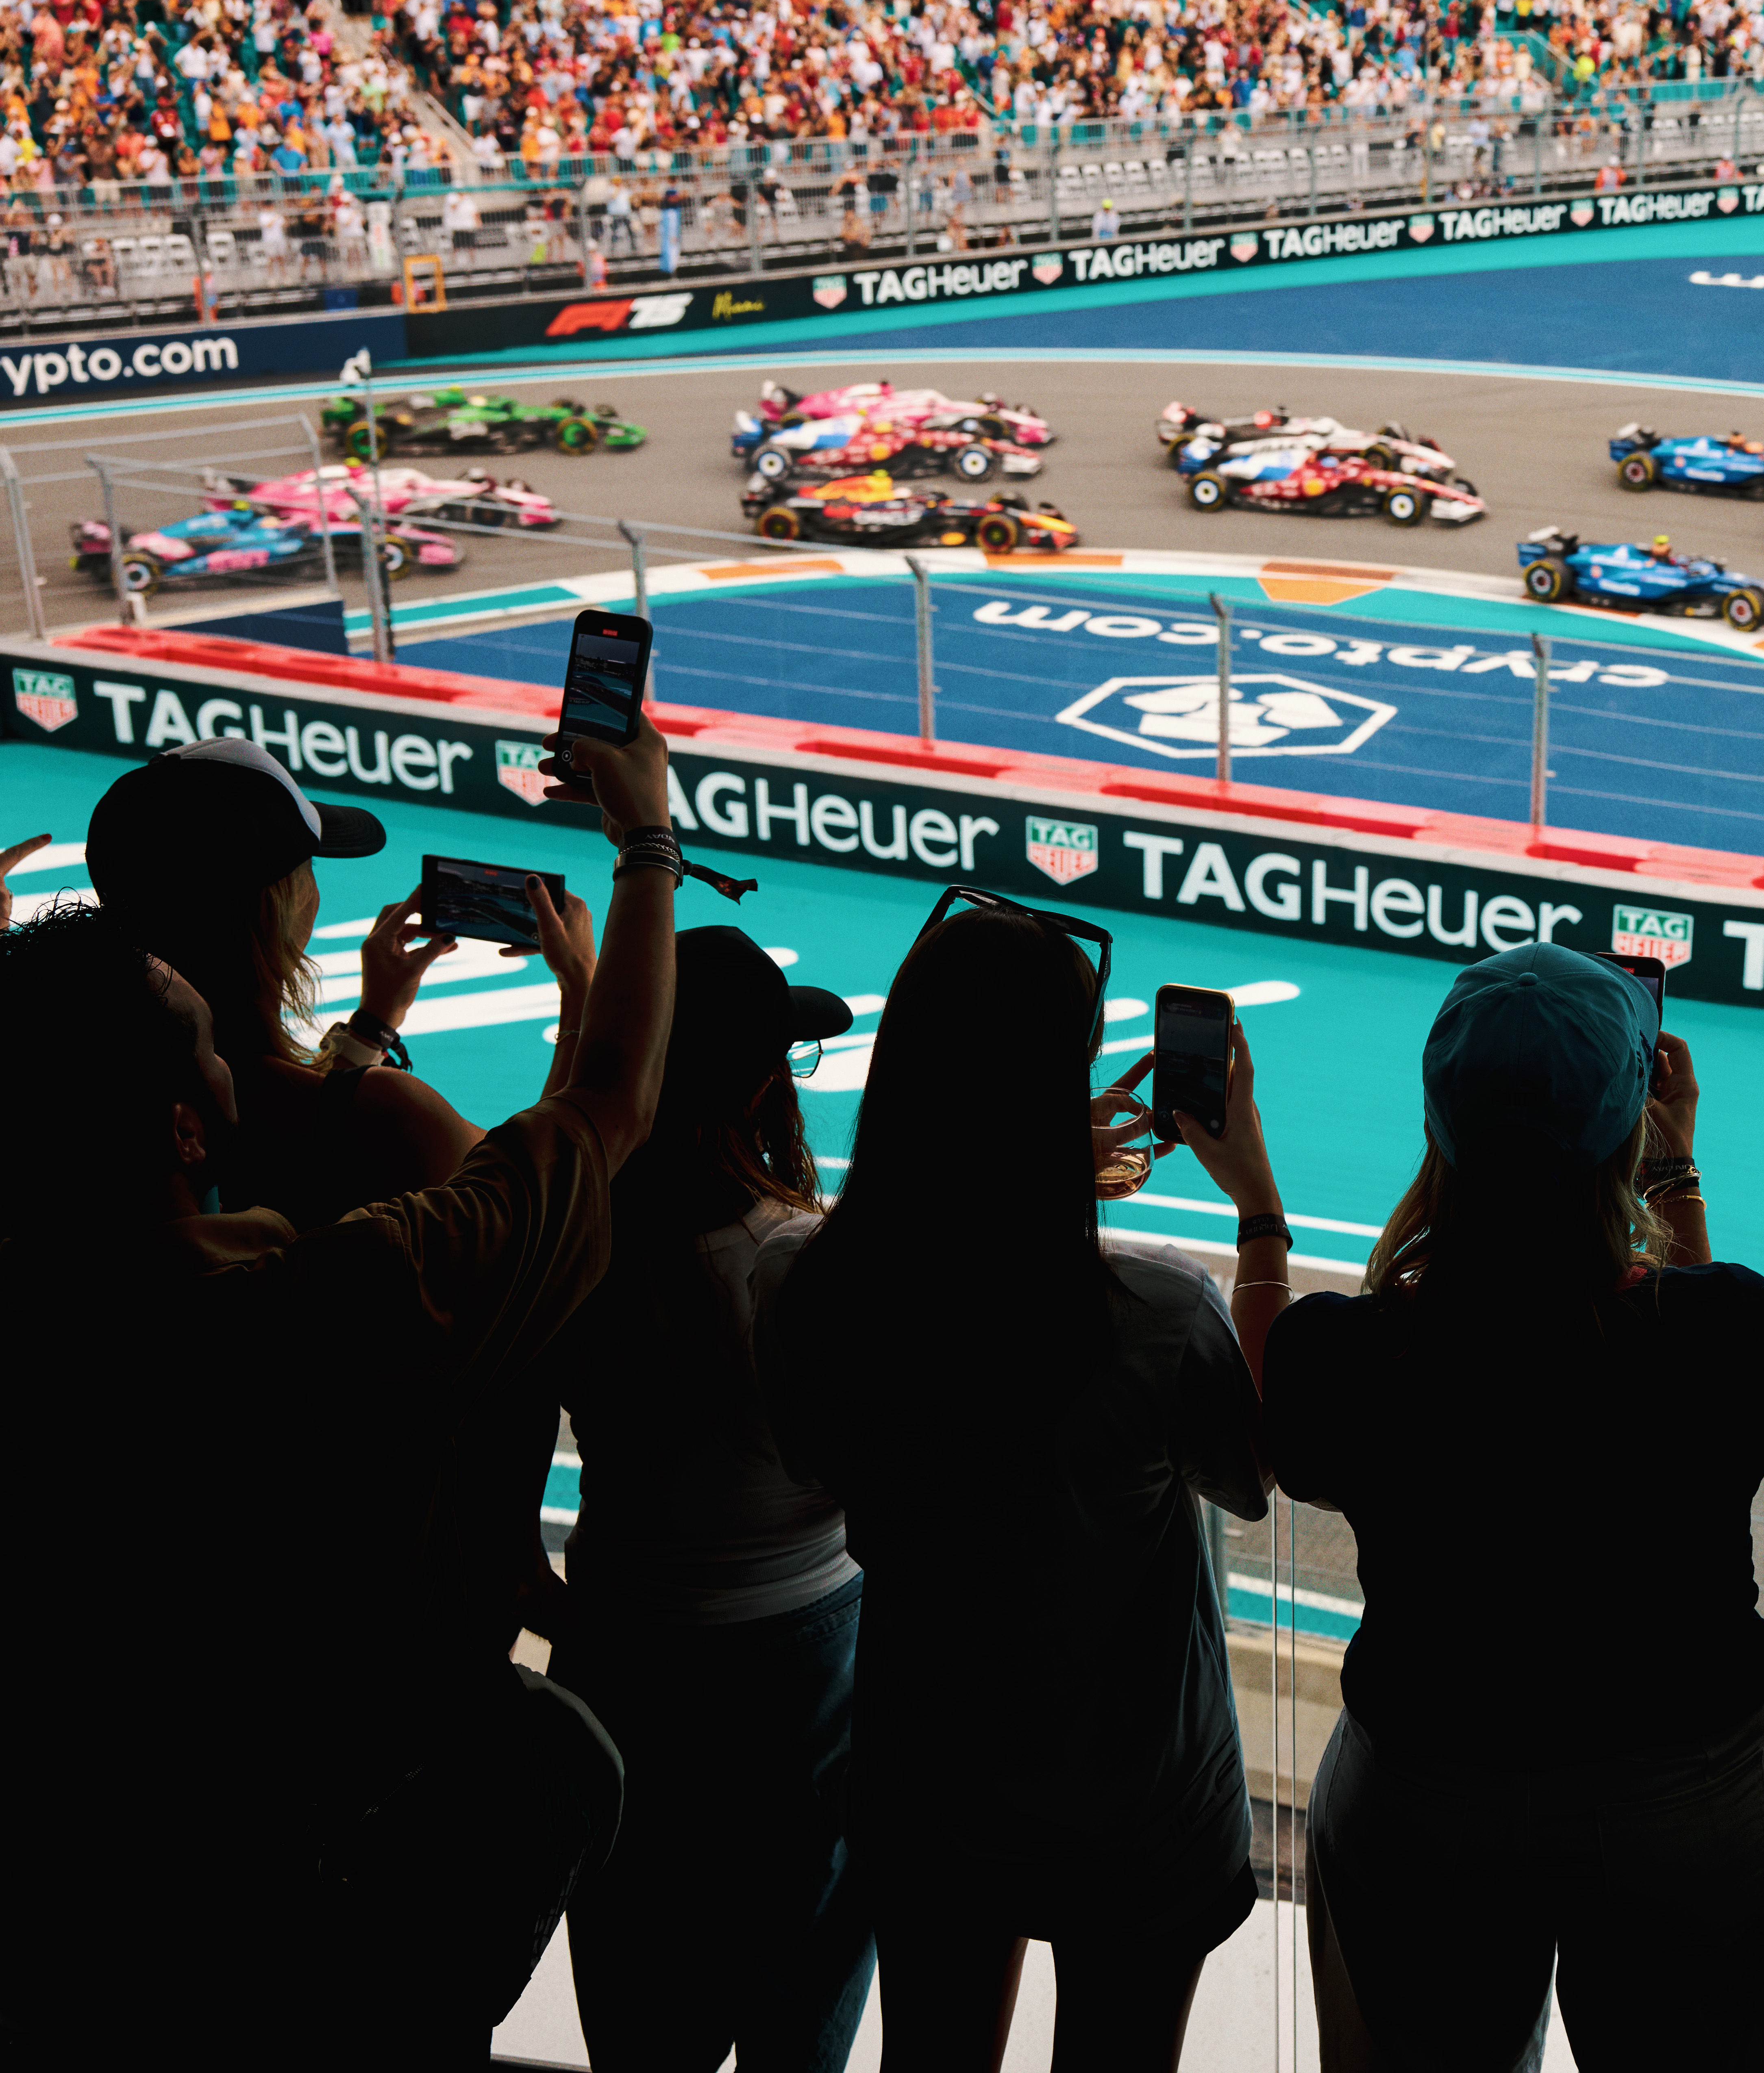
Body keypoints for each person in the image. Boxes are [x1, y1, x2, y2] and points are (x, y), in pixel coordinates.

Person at [0, 717, 681, 2060]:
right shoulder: (333, 1289)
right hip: (331, 1853)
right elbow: (607, 1111)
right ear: (184, 1125)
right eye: (201, 1051)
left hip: (76, 1871)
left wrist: (365, 1034)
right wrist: (646, 842)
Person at [1263, 945, 1764, 2073]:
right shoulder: (1729, 1329)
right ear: (1627, 1129)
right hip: (1691, 1790)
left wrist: (1260, 1215)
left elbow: (1279, 1429)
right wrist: (1676, 1172)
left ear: (1438, 1127)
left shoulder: (1346, 1353)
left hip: (1426, 1786)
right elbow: (1699, 1352)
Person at [759, 895, 1282, 2071]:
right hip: (1137, 1812)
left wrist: (1021, 1175)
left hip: (927, 1780)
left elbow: (824, 1451)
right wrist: (1260, 1217)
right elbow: (1255, 1471)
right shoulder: (1160, 1315)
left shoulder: (798, 1289)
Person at [547, 927, 875, 2070]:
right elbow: (882, 1479)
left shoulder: (565, 1231)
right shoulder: (796, 1260)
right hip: (805, 1657)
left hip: (617, 1649)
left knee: (640, 2007)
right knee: (803, 2006)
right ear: (759, 1085)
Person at [85, 737, 514, 1229]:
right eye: (308, 867)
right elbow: (546, 1193)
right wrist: (579, 991)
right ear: (278, 906)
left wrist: (371, 1027)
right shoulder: (398, 1116)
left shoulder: (82, 1079)